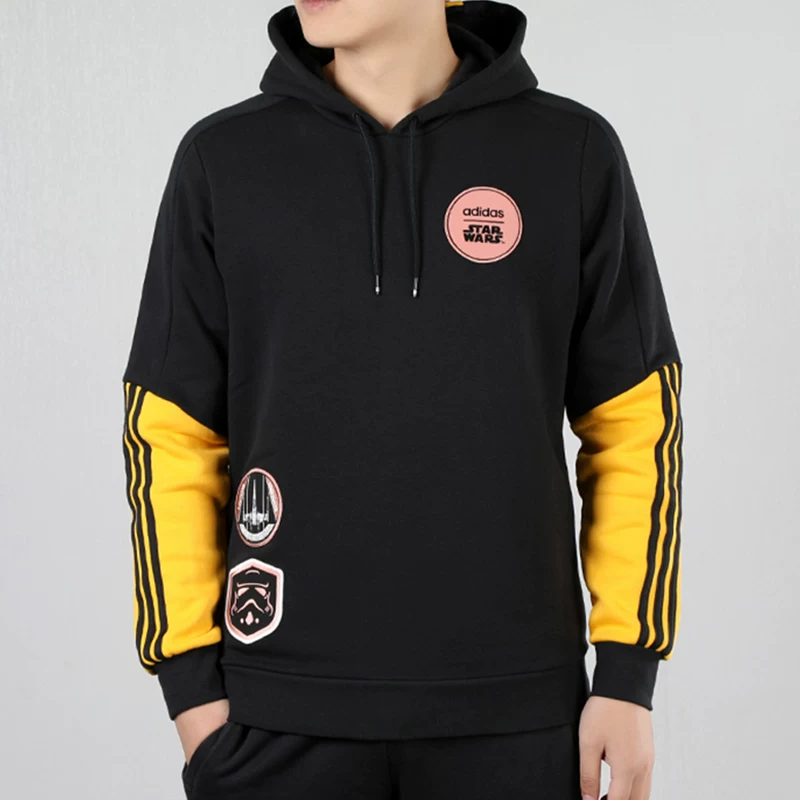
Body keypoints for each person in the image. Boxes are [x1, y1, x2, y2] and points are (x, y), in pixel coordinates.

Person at [120, 0, 683, 797]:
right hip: (275, 720)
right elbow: (170, 431)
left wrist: (627, 672)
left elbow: (632, 422)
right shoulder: (224, 161)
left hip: (517, 720)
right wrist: (191, 695)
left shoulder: (570, 153)